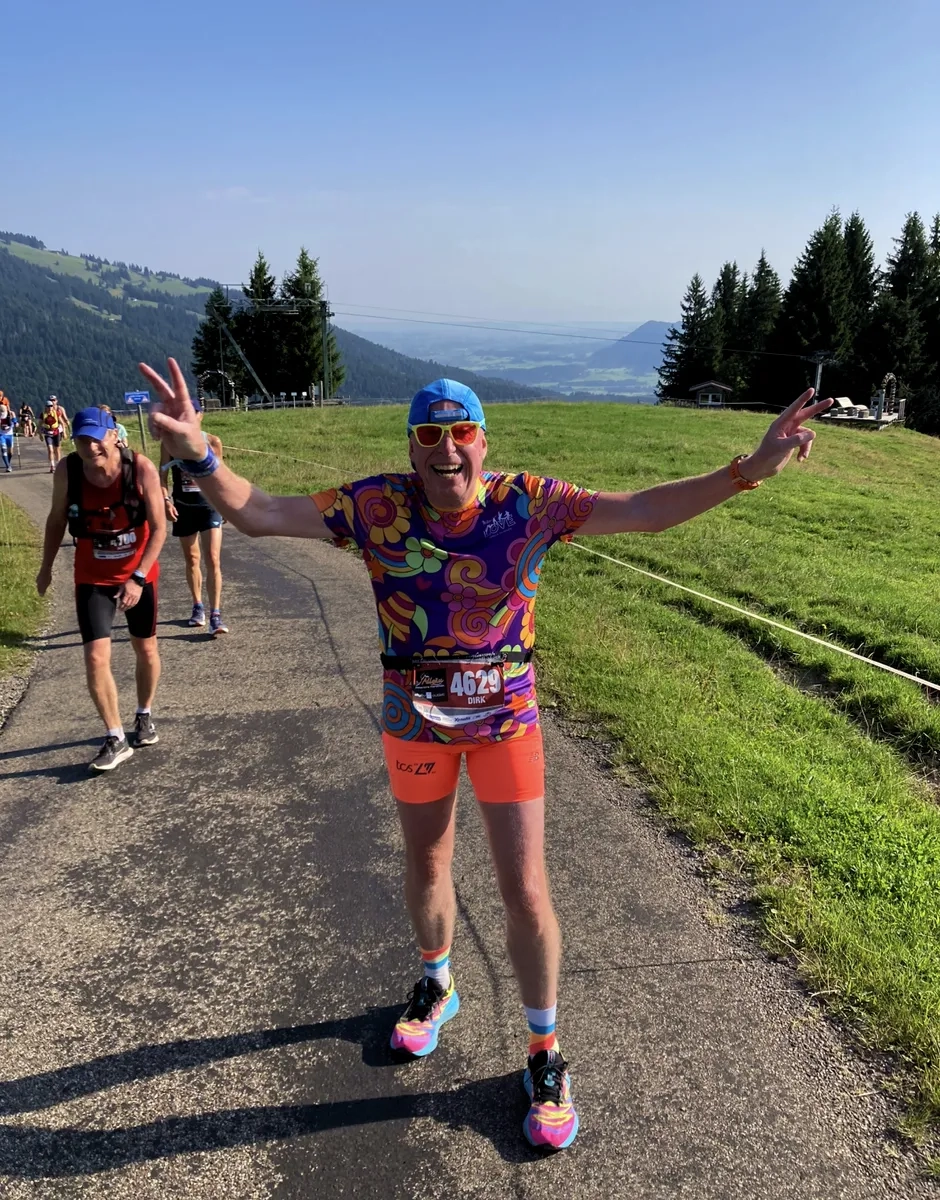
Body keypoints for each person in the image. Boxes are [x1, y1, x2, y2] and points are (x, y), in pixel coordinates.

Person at [140, 357, 831, 1151]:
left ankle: (545, 1051)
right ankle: (437, 982)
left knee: (525, 889)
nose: (447, 449)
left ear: (483, 442)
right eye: (429, 436)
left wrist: (749, 470)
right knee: (426, 863)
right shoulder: (375, 506)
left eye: (461, 433)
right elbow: (259, 513)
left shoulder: (527, 503)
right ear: (411, 448)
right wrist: (198, 453)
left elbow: (644, 510)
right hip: (413, 722)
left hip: (506, 724)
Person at [35, 406, 166, 771]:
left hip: (138, 574)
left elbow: (159, 529)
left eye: (96, 438)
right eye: (82, 440)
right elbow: (56, 520)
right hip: (92, 577)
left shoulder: (140, 469)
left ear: (113, 436)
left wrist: (138, 577)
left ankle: (144, 714)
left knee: (146, 649)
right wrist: (45, 568)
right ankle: (115, 736)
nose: (91, 447)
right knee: (95, 657)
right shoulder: (68, 471)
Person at [159, 396, 229, 635]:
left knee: (213, 559)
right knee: (192, 558)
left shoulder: (213, 442)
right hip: (183, 506)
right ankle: (197, 606)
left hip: (209, 506)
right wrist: (166, 501)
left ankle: (216, 615)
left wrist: (225, 504)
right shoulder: (169, 444)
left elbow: (220, 477)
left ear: (200, 416)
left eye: (193, 413)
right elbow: (162, 476)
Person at [41, 397, 66, 472]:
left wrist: (64, 432)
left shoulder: (56, 413)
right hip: (48, 434)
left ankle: (58, 464)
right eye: (48, 406)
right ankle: (52, 465)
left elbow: (62, 423)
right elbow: (39, 424)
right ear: (46, 407)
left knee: (57, 449)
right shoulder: (43, 414)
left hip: (56, 433)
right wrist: (40, 434)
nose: (50, 408)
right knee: (50, 449)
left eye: (51, 406)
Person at [0, 398, 17, 472]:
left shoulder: (11, 413)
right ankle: (8, 466)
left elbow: (15, 422)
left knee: (10, 452)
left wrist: (15, 423)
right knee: (4, 450)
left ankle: (8, 463)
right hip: (2, 435)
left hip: (9, 435)